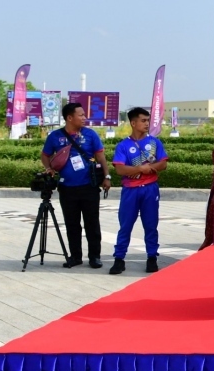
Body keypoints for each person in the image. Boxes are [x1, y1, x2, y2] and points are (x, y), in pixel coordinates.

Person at [41, 103, 111, 269]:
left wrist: (107, 176)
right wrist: (48, 168)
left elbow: (101, 158)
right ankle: (75, 256)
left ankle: (95, 257)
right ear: (69, 118)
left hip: (89, 187)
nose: (84, 118)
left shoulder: (90, 135)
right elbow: (45, 155)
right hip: (67, 188)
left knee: (92, 224)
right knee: (72, 224)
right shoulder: (55, 136)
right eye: (80, 115)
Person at [109, 107, 168, 275]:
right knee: (125, 225)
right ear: (133, 123)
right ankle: (119, 259)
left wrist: (148, 169)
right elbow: (120, 170)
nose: (146, 124)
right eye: (143, 121)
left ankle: (152, 258)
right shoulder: (123, 145)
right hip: (130, 191)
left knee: (151, 225)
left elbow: (163, 164)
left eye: (147, 120)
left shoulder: (155, 142)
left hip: (150, 189)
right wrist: (141, 168)